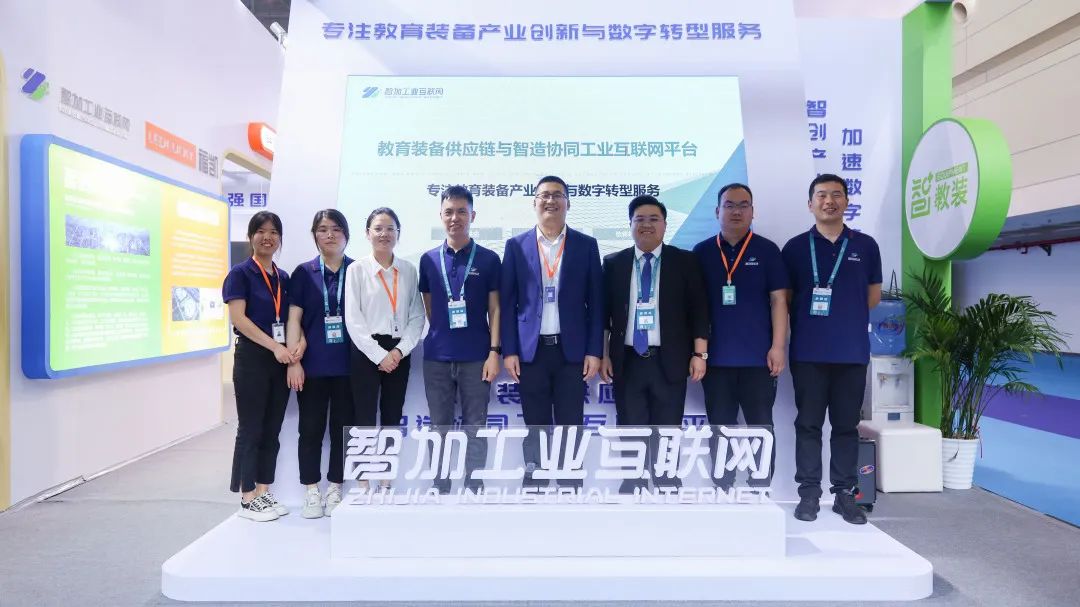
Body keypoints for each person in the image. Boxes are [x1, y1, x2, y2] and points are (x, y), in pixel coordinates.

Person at [782, 173, 882, 525]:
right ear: (810, 203)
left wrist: (843, 316)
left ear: (847, 202)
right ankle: (809, 493)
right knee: (808, 424)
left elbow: (872, 296)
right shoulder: (795, 248)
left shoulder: (865, 245)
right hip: (808, 353)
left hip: (851, 353)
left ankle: (844, 494)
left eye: (837, 194)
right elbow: (787, 299)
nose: (829, 201)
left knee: (845, 426)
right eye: (822, 195)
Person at [500, 175, 603, 488]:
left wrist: (594, 351)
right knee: (536, 422)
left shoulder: (586, 245)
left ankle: (571, 481)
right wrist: (510, 350)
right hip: (531, 352)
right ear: (534, 203)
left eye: (557, 195)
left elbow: (597, 303)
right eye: (544, 195)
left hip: (572, 352)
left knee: (572, 421)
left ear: (568, 203)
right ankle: (536, 482)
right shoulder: (516, 246)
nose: (551, 201)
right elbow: (508, 302)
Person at [600, 195, 709, 493]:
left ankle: (666, 482)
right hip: (627, 360)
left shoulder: (685, 261)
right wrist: (604, 353)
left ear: (664, 224)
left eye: (653, 219)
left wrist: (700, 353)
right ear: (630, 225)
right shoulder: (614, 263)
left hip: (669, 359)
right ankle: (633, 482)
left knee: (668, 426)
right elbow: (604, 314)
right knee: (630, 425)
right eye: (640, 219)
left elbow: (699, 310)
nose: (646, 225)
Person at [692, 183, 789, 490]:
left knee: (761, 426)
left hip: (759, 359)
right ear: (717, 211)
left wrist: (778, 346)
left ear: (752, 211)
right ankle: (723, 486)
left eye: (743, 205)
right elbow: (694, 307)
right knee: (720, 427)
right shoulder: (702, 252)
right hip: (715, 360)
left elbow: (779, 301)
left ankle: (761, 487)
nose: (736, 211)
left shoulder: (767, 250)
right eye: (729, 205)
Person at [418, 186, 502, 493]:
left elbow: (495, 309)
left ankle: (473, 484)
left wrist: (494, 351)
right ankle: (440, 485)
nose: (455, 218)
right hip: (437, 357)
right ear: (441, 216)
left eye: (461, 212)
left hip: (477, 356)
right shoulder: (428, 260)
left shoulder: (489, 259)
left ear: (472, 215)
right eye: (449, 212)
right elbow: (429, 306)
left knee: (475, 425)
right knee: (438, 426)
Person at [222, 211, 299, 522]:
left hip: (279, 361)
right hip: (253, 358)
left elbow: (292, 318)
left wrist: (293, 347)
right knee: (251, 428)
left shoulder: (283, 277)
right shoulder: (240, 273)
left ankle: (264, 491)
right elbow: (239, 319)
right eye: (261, 231)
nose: (268, 237)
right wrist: (275, 346)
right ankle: (247, 496)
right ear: (251, 236)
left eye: (274, 232)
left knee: (272, 428)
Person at [343, 207, 426, 490]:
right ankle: (364, 483)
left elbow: (417, 316)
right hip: (366, 350)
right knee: (364, 416)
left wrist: (399, 352)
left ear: (398, 234)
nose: (384, 234)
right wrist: (379, 355)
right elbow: (353, 319)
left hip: (399, 351)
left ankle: (386, 480)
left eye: (390, 228)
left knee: (392, 415)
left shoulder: (408, 270)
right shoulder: (356, 269)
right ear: (367, 234)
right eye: (378, 228)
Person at [285, 209, 355, 518]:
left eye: (336, 229)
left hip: (349, 367)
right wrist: (293, 361)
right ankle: (312, 490)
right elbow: (294, 319)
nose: (330, 234)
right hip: (311, 368)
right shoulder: (304, 273)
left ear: (346, 234)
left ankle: (336, 487)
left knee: (342, 431)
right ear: (315, 235)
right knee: (310, 430)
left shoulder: (357, 270)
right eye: (323, 229)